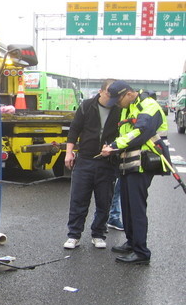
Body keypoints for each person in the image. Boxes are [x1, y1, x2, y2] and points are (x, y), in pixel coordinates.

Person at [100, 81, 169, 264]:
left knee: (137, 208)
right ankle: (132, 242)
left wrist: (114, 146)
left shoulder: (149, 106)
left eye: (118, 100)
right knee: (128, 205)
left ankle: (141, 252)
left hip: (143, 164)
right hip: (128, 163)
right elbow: (124, 132)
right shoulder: (128, 107)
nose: (116, 104)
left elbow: (141, 132)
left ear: (129, 93)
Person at [63, 79, 121, 249]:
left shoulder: (119, 110)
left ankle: (98, 234)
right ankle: (74, 235)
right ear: (101, 91)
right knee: (78, 199)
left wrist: (113, 148)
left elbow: (123, 135)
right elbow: (74, 130)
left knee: (104, 200)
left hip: (108, 161)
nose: (113, 99)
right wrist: (69, 153)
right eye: (110, 94)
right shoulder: (87, 106)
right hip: (85, 159)